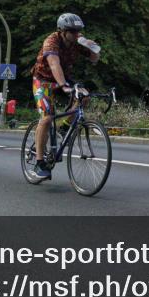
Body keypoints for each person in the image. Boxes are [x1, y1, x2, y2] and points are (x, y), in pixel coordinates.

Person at [30, 13, 101, 179]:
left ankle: (64, 128)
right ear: (62, 31)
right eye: (72, 31)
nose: (77, 34)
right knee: (47, 118)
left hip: (64, 78)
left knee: (85, 96)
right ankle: (39, 163)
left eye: (78, 31)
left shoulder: (77, 41)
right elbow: (54, 64)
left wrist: (93, 47)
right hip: (43, 80)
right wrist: (63, 86)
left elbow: (94, 60)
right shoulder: (51, 41)